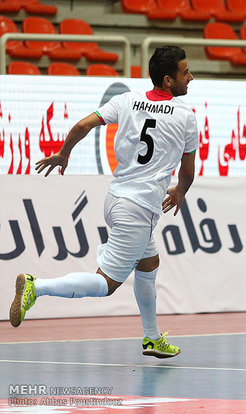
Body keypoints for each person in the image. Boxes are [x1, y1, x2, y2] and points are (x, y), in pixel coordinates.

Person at [9, 45, 199, 359]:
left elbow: (84, 125)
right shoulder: (186, 118)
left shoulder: (127, 100)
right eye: (185, 72)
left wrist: (63, 154)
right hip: (139, 210)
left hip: (116, 199)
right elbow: (188, 170)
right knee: (105, 284)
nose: (190, 77)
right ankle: (35, 286)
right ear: (168, 81)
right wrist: (180, 191)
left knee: (149, 264)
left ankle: (151, 337)